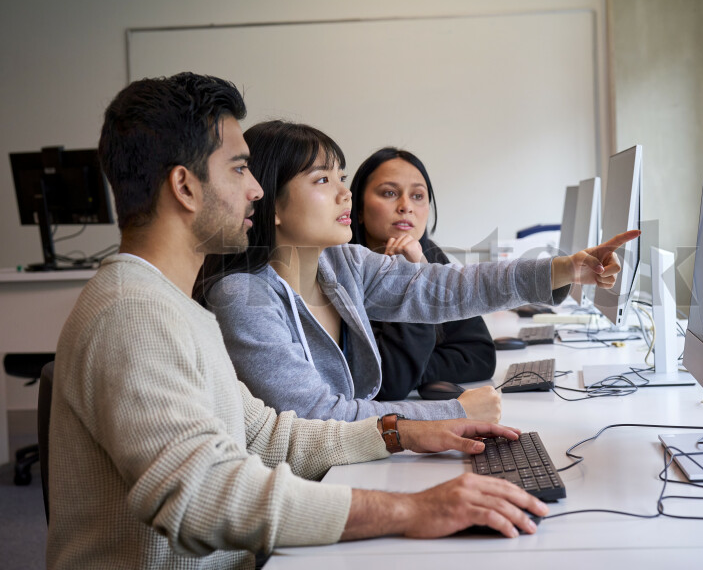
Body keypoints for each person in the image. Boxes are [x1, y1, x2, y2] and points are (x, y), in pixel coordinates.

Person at [48, 73, 560, 569]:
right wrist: (411, 509)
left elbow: (268, 436)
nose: (255, 189)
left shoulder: (178, 308)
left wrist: (400, 432)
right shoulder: (133, 314)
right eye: (238, 169)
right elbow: (204, 497)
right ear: (185, 186)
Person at [195, 120, 638, 428]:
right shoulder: (244, 297)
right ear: (270, 202)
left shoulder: (340, 264)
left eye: (342, 178)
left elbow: (448, 287)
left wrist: (565, 268)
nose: (345, 194)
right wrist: (453, 414)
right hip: (306, 492)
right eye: (322, 181)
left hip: (356, 460)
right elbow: (317, 419)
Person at [349, 147, 495, 401]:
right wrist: (407, 278)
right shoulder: (341, 271)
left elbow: (480, 354)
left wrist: (413, 371)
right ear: (358, 209)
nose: (406, 206)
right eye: (389, 193)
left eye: (418, 195)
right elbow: (390, 380)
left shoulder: (429, 254)